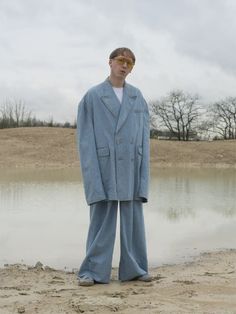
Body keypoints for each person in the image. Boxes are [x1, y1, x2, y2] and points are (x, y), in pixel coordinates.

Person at [76, 47, 151, 286]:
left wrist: (143, 177)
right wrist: (91, 176)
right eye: (121, 61)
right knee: (101, 220)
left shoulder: (137, 97)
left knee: (133, 221)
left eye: (130, 63)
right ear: (110, 62)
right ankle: (93, 271)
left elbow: (144, 140)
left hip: (131, 164)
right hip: (103, 165)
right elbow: (85, 141)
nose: (125, 66)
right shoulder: (93, 96)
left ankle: (135, 269)